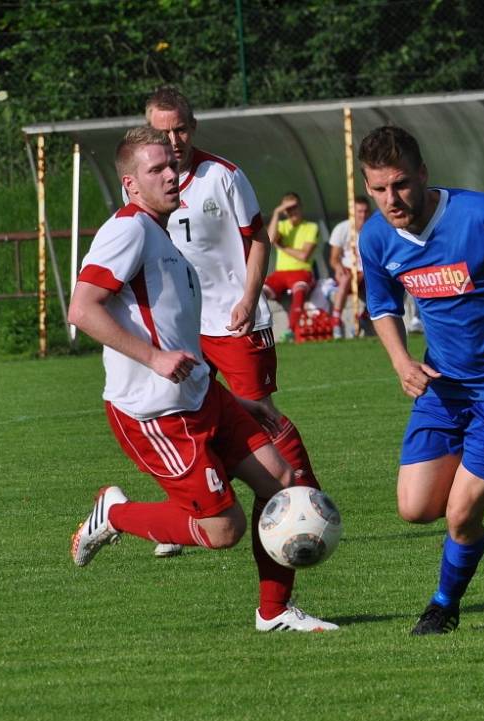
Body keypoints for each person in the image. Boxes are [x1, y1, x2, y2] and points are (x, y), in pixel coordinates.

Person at [68, 126, 336, 632]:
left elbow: (176, 335)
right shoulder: (127, 229)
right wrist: (152, 358)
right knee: (223, 528)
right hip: (156, 415)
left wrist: (233, 398)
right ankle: (114, 514)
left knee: (281, 477)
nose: (172, 175)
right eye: (156, 170)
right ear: (131, 184)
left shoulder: (161, 236)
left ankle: (274, 613)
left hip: (203, 397)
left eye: (172, 165)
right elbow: (82, 309)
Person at [356, 125, 484, 635]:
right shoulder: (377, 235)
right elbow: (382, 305)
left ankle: (443, 606)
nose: (391, 199)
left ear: (423, 174)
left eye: (400, 184)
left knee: (461, 514)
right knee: (415, 507)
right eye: (377, 188)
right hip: (443, 386)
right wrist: (401, 362)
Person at [143, 87, 333, 631]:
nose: (173, 141)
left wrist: (249, 298)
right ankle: (193, 512)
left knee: (261, 419)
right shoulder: (146, 187)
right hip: (182, 331)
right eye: (162, 133)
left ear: (194, 127)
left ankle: (297, 497)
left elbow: (258, 240)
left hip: (233, 320)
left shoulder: (223, 176)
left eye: (180, 129)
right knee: (189, 423)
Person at [263, 192, 320, 337]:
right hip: (281, 273)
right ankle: (258, 331)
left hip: (302, 271)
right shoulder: (281, 225)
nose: (291, 211)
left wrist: (281, 246)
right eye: (287, 209)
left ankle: (291, 331)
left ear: (301, 207)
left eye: (294, 207)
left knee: (299, 290)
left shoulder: (311, 227)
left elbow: (303, 256)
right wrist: (276, 212)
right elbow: (269, 239)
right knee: (259, 292)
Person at [328, 195, 371, 339]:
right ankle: (336, 320)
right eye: (359, 211)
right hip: (348, 272)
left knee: (381, 284)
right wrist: (338, 267)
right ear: (352, 212)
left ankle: (363, 318)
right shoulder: (342, 228)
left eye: (365, 211)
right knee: (346, 278)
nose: (363, 215)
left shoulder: (373, 229)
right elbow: (334, 258)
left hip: (367, 274)